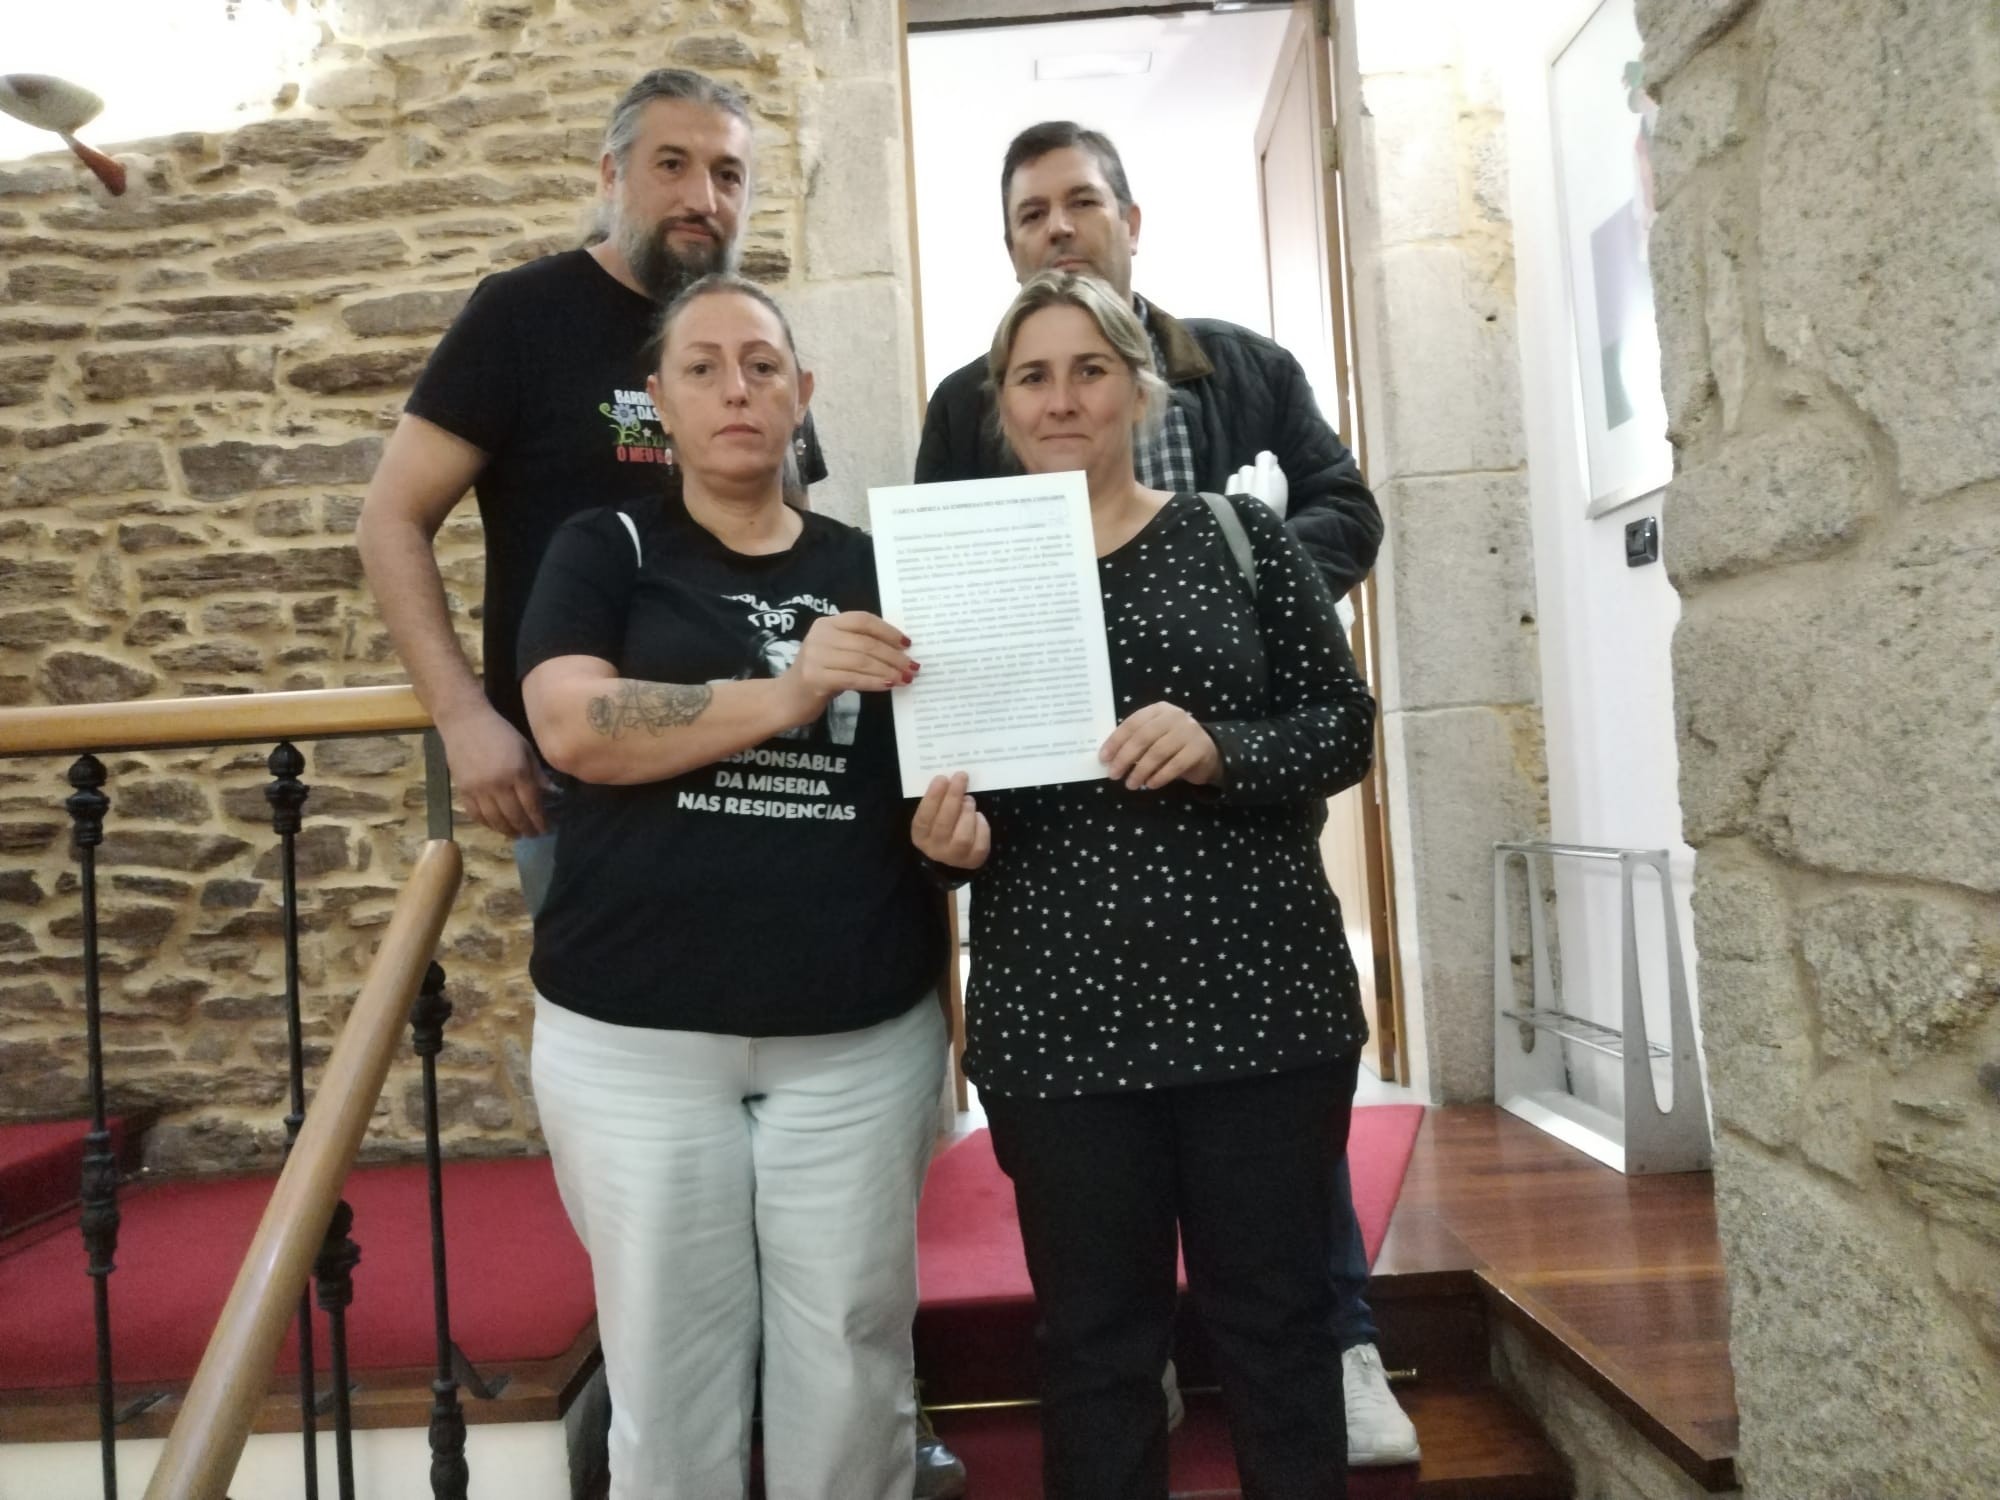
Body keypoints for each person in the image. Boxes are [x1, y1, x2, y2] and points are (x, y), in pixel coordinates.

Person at [358, 65, 968, 1497]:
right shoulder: (527, 331)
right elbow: (398, 525)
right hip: (599, 841)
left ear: (798, 391)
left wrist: (950, 848)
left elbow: (888, 724)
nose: (704, 196)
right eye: (676, 165)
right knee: (669, 1299)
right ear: (614, 173)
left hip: (841, 986)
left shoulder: (855, 552)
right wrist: (467, 718)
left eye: (730, 173)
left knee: (846, 1322)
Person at [914, 119, 1418, 1470]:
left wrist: (1220, 747)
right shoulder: (961, 581)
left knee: (1277, 1332)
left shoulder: (1239, 538)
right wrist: (941, 841)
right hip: (1059, 1016)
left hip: (1258, 1003)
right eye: (1031, 377)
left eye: (1089, 370)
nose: (1060, 398)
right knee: (1093, 1349)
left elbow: (1343, 729)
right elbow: (941, 801)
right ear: (996, 405)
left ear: (1140, 391)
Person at [518, 272, 948, 1499]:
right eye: (700, 368)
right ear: (657, 402)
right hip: (635, 1038)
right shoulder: (606, 547)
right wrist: (791, 691)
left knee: (853, 1363)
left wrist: (955, 836)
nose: (735, 390)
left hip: (854, 1036)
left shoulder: (878, 565)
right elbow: (575, 726)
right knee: (669, 1376)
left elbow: (931, 775)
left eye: (761, 365)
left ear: (801, 392)